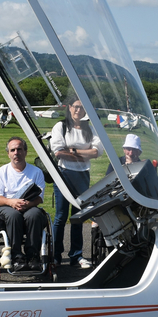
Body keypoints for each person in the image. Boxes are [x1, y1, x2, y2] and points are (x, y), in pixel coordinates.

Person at [50, 98, 104, 269]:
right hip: (64, 174)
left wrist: (73, 151)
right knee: (61, 216)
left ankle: (76, 255)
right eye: (75, 107)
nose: (78, 110)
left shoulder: (90, 129)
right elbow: (58, 152)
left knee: (78, 216)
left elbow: (97, 151)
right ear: (69, 108)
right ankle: (55, 255)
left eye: (81, 108)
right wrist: (84, 154)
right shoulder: (61, 126)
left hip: (82, 175)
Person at [0, 137, 48, 272]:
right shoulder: (1, 172)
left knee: (34, 215)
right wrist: (11, 202)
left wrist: (28, 204)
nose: (16, 153)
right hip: (6, 206)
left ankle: (33, 256)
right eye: (13, 150)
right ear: (8, 154)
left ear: (25, 152)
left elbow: (39, 197)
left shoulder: (36, 172)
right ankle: (16, 257)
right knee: (14, 215)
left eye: (19, 149)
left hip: (29, 205)